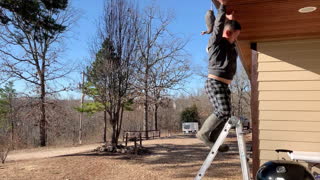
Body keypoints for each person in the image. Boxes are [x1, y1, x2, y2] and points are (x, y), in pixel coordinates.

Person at [196, 0, 241, 152]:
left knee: (227, 114)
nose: (236, 39)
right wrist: (222, 7)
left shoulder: (230, 45)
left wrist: (230, 19)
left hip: (223, 85)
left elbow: (228, 29)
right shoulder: (216, 43)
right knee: (222, 111)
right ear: (228, 33)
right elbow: (218, 28)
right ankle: (203, 133)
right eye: (236, 36)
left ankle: (213, 138)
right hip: (215, 83)